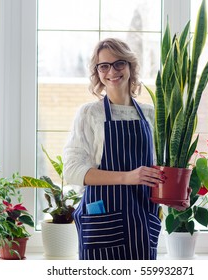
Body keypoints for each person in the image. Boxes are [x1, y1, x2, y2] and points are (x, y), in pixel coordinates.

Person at [63, 38, 164, 260]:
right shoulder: (90, 114)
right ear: (97, 72)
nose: (112, 71)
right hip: (102, 223)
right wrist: (128, 177)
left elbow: (161, 167)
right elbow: (71, 171)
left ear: (130, 67)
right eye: (104, 66)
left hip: (142, 222)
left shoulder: (150, 114)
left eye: (119, 63)